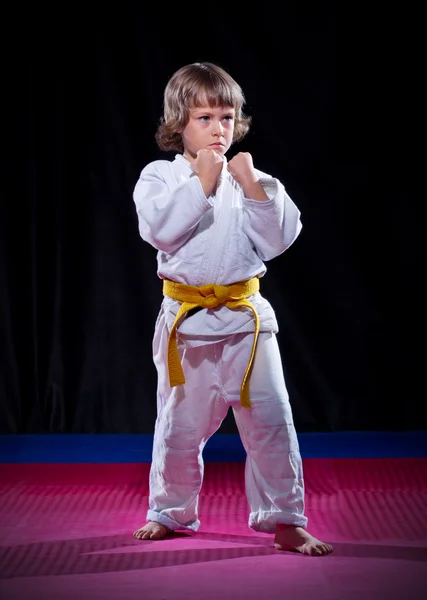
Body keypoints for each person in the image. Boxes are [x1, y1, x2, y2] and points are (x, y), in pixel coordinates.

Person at [132, 62, 333, 556]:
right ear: (179, 122)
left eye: (226, 116)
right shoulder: (162, 176)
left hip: (247, 323)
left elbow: (278, 241)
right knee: (179, 425)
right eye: (204, 117)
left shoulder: (254, 178)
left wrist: (251, 186)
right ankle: (169, 511)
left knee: (271, 421)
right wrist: (201, 183)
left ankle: (285, 518)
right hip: (188, 322)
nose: (218, 127)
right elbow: (158, 230)